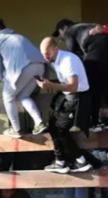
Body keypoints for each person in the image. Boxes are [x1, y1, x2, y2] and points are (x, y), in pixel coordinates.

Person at [53, 19, 108, 132]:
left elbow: (73, 56)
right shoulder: (84, 27)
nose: (61, 38)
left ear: (63, 28)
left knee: (91, 85)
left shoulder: (69, 32)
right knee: (107, 82)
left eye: (59, 34)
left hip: (98, 44)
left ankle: (95, 122)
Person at [37, 37, 93, 174]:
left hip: (78, 97)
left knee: (60, 130)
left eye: (47, 53)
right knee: (52, 126)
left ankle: (80, 160)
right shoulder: (55, 60)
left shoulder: (68, 60)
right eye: (43, 54)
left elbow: (73, 86)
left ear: (55, 49)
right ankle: (60, 161)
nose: (45, 57)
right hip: (67, 96)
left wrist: (50, 85)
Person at [0, 19, 47, 138]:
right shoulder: (18, 36)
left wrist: (2, 78)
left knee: (7, 97)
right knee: (23, 95)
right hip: (40, 66)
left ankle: (16, 129)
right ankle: (39, 122)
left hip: (22, 67)